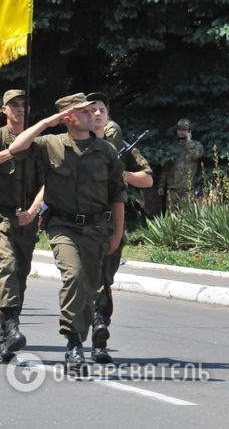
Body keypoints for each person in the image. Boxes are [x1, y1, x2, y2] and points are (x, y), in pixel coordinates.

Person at [7, 93, 126, 373]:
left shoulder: (106, 151)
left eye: (91, 111)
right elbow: (16, 147)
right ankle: (73, 343)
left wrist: (117, 233)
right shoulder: (51, 145)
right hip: (63, 226)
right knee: (73, 276)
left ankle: (81, 337)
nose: (91, 115)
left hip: (97, 228)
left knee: (88, 286)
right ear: (68, 118)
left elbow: (117, 195)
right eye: (83, 112)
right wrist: (48, 122)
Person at [0, 90, 43, 362]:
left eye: (24, 105)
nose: (20, 109)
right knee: (9, 265)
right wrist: (10, 152)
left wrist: (34, 211)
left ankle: (6, 332)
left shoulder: (39, 143)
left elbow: (48, 182)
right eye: (14, 105)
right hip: (1, 214)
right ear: (4, 109)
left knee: (21, 275)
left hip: (29, 216)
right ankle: (12, 325)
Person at [87, 92, 153, 363]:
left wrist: (120, 173)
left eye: (102, 109)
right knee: (92, 280)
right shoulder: (74, 144)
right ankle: (96, 333)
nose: (98, 114)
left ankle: (99, 327)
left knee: (106, 278)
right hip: (80, 222)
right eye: (92, 110)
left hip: (112, 221)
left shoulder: (122, 147)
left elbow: (147, 179)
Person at [157, 119, 204, 211]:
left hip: (187, 188)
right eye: (179, 129)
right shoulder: (173, 147)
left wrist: (189, 141)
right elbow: (166, 168)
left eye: (184, 130)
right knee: (171, 215)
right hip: (172, 188)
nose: (181, 132)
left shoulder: (196, 146)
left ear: (189, 131)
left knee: (187, 215)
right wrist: (161, 185)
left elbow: (197, 155)